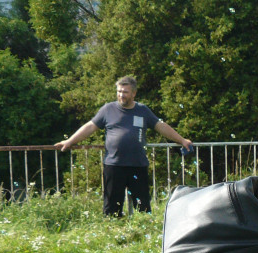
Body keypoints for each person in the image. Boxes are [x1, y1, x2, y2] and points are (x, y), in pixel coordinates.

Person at [55, 76, 193, 217]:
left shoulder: (143, 110)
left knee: (143, 209)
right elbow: (90, 127)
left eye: (125, 92)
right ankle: (113, 230)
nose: (121, 95)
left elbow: (161, 126)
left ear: (133, 93)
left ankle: (142, 230)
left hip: (138, 165)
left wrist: (182, 140)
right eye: (119, 91)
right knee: (111, 211)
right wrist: (69, 141)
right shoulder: (108, 109)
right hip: (114, 166)